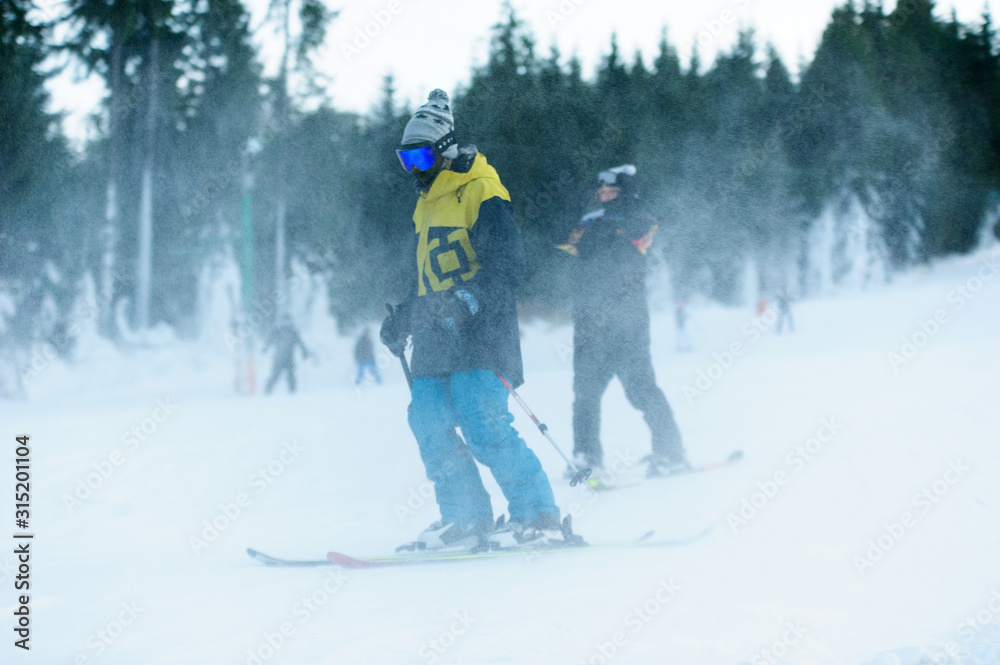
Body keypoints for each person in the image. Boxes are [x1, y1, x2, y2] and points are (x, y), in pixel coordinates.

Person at [380, 89, 572, 552]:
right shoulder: (425, 203)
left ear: (445, 149)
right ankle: (466, 519)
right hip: (432, 335)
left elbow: (508, 265)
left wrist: (466, 299)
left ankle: (539, 515)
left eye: (421, 157)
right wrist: (404, 316)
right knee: (428, 421)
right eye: (406, 161)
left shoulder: (482, 189)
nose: (415, 170)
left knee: (483, 423)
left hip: (481, 332)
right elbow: (427, 273)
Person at [559, 165, 689, 478]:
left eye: (612, 192)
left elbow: (642, 233)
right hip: (591, 323)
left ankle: (670, 453)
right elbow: (565, 239)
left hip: (628, 322)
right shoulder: (589, 222)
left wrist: (610, 227)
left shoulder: (640, 219)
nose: (604, 197)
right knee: (585, 393)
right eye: (601, 192)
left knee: (641, 389)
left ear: (626, 192)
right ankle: (586, 456)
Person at [262, 315, 311, 395]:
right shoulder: (277, 331)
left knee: (291, 377)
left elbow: (300, 342)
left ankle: (292, 393)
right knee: (274, 376)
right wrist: (265, 348)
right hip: (278, 358)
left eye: (287, 321)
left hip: (289, 358)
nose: (286, 323)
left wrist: (304, 351)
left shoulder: (293, 331)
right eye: (284, 321)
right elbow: (269, 340)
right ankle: (267, 392)